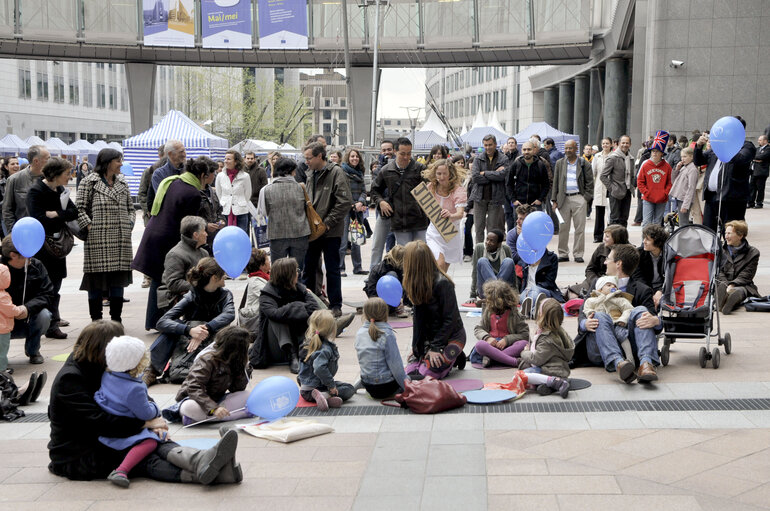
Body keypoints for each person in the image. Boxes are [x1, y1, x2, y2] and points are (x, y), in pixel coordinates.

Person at [48, 320, 242, 484]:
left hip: (108, 435)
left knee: (155, 439)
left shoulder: (102, 364)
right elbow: (97, 422)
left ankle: (205, 463)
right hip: (78, 453)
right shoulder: (71, 379)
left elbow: (135, 392)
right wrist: (144, 423)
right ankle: (208, 471)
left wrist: (153, 418)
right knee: (142, 454)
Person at [133, 156, 214, 330]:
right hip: (167, 239)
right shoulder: (192, 192)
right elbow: (189, 224)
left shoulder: (175, 182)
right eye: (208, 175)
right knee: (166, 280)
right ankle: (162, 321)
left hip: (155, 233)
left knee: (157, 278)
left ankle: (154, 321)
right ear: (201, 175)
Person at [576, 244, 661, 383]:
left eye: (608, 259)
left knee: (641, 310)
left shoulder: (642, 289)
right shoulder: (598, 283)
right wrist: (585, 323)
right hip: (600, 346)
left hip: (630, 348)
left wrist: (656, 321)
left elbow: (653, 324)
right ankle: (618, 363)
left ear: (618, 264)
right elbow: (583, 311)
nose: (604, 262)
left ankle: (646, 364)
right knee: (599, 315)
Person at [143, 258, 234, 386]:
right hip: (190, 339)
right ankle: (151, 371)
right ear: (214, 277)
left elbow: (229, 314)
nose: (225, 276)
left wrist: (205, 328)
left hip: (214, 338)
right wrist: (189, 330)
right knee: (171, 328)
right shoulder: (192, 296)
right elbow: (162, 321)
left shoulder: (225, 295)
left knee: (234, 333)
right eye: (222, 273)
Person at [94, 336, 162, 488]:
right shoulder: (134, 388)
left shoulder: (107, 374)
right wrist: (156, 408)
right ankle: (121, 470)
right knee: (150, 442)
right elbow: (146, 414)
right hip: (126, 430)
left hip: (108, 426)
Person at [76, 149, 134, 323]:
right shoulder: (89, 182)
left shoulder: (122, 183)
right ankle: (96, 320)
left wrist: (129, 223)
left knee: (118, 281)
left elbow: (131, 208)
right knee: (95, 281)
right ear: (107, 162)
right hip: (98, 240)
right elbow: (79, 208)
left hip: (121, 239)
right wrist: (90, 226)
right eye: (118, 160)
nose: (121, 164)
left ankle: (116, 319)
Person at [26, 156, 78, 338]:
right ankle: (46, 322)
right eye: (66, 173)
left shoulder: (60, 189)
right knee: (45, 286)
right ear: (55, 174)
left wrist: (55, 214)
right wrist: (59, 216)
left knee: (56, 285)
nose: (69, 177)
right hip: (42, 247)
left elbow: (74, 211)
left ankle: (52, 323)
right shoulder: (36, 191)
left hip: (58, 246)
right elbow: (38, 218)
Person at [403, 240, 466, 379]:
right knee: (408, 374)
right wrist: (417, 348)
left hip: (452, 336)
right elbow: (418, 321)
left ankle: (455, 355)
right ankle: (453, 356)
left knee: (425, 375)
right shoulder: (416, 284)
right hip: (431, 338)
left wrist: (436, 348)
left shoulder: (443, 283)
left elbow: (450, 319)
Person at [302, 142, 352, 317]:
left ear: (319, 156)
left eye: (309, 158)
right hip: (312, 231)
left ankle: (336, 305)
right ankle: (309, 303)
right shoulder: (309, 174)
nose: (306, 161)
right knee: (308, 268)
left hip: (331, 231)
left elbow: (344, 202)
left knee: (332, 269)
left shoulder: (336, 172)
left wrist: (327, 224)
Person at [248, 257, 318, 373]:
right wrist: (297, 306)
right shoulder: (267, 293)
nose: (298, 273)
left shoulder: (299, 288)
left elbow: (314, 308)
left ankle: (328, 325)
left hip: (299, 340)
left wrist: (292, 309)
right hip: (276, 346)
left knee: (313, 315)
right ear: (288, 274)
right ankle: (292, 355)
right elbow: (274, 313)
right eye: (295, 270)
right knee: (276, 319)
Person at [176, 326, 252, 425]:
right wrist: (213, 408)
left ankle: (200, 419)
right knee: (189, 407)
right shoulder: (207, 359)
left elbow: (236, 389)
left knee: (247, 395)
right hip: (195, 400)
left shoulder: (234, 360)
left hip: (217, 400)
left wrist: (245, 369)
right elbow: (193, 387)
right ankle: (237, 415)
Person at [694, 118, 756, 230]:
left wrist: (726, 146)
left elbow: (741, 159)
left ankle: (729, 248)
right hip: (712, 196)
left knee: (731, 232)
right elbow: (699, 161)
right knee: (708, 230)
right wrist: (698, 147)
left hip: (733, 198)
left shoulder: (747, 146)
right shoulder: (716, 147)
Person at [370, 137, 429, 246]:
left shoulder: (420, 168)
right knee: (405, 255)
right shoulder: (386, 170)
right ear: (395, 152)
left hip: (419, 221)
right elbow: (374, 190)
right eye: (402, 154)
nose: (406, 157)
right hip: (399, 222)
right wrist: (381, 202)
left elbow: (432, 189)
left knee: (420, 254)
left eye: (409, 153)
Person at [258, 157, 311, 273]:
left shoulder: (266, 190)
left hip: (277, 234)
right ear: (291, 171)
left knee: (278, 271)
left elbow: (263, 212)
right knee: (297, 271)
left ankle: (280, 291)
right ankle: (296, 290)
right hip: (300, 232)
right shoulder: (301, 188)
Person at [298, 310, 355, 411]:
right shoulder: (325, 348)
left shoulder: (307, 344)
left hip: (305, 392)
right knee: (349, 389)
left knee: (344, 387)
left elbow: (301, 372)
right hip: (318, 388)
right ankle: (326, 395)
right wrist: (331, 386)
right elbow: (319, 368)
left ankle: (324, 399)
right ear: (331, 329)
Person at [517, 298, 573, 399]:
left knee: (520, 376)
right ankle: (549, 386)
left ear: (541, 316)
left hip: (551, 370)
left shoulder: (547, 339)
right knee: (528, 376)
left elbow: (536, 359)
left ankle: (555, 382)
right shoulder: (553, 331)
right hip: (554, 369)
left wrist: (524, 352)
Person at [354, 297, 408, 398]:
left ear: (365, 314)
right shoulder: (387, 334)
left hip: (368, 385)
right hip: (385, 387)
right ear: (385, 313)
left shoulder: (359, 333)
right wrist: (408, 386)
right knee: (412, 377)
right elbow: (396, 366)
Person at [551, 139, 594, 263]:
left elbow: (590, 182)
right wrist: (554, 200)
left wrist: (585, 198)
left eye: (570, 148)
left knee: (579, 228)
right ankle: (563, 253)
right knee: (563, 227)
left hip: (579, 198)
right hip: (563, 199)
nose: (567, 150)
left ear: (576, 149)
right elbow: (556, 183)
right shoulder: (560, 163)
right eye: (566, 148)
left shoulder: (583, 163)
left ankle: (578, 253)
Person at [156, 216, 209, 312]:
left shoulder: (203, 252)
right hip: (175, 298)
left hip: (196, 292)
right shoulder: (175, 254)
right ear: (196, 235)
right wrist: (200, 285)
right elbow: (173, 283)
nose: (206, 234)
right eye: (204, 231)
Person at [472, 280, 529, 368]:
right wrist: (487, 338)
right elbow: (478, 329)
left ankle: (493, 359)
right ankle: (513, 362)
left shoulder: (514, 314)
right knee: (480, 345)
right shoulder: (488, 311)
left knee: (523, 344)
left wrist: (507, 340)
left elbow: (525, 335)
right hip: (491, 347)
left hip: (507, 347)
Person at [423, 158, 467, 272]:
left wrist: (450, 215)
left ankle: (439, 288)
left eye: (444, 174)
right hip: (434, 232)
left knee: (443, 271)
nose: (441, 177)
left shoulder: (458, 191)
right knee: (440, 264)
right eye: (439, 173)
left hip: (451, 233)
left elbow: (460, 214)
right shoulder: (430, 187)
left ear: (450, 174)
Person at [583, 276, 635, 366]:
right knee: (599, 322)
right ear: (600, 289)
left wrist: (623, 319)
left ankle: (630, 358)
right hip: (601, 328)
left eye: (615, 286)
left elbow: (628, 309)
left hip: (616, 323)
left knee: (622, 334)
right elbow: (586, 309)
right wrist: (590, 313)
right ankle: (616, 360)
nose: (613, 287)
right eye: (609, 285)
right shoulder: (592, 300)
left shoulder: (619, 300)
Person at [3, 144, 50, 233]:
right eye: (47, 159)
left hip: (47, 234)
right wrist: (13, 232)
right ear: (36, 161)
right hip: (23, 233)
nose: (50, 161)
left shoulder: (52, 179)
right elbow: (7, 209)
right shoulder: (14, 180)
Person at [470, 135, 508, 243]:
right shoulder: (478, 158)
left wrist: (485, 173)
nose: (488, 147)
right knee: (478, 229)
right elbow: (476, 178)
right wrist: (495, 174)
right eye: (485, 145)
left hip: (495, 198)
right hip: (479, 197)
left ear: (495, 145)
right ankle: (479, 251)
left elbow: (502, 176)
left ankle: (490, 252)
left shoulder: (503, 158)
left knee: (492, 230)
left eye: (490, 145)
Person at [717, 220, 760, 314]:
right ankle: (723, 301)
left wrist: (732, 285)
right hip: (721, 283)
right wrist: (725, 284)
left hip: (741, 284)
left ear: (740, 236)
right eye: (725, 233)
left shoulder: (753, 253)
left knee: (739, 291)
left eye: (729, 233)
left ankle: (726, 303)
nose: (726, 236)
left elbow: (747, 275)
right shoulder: (719, 250)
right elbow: (718, 271)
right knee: (720, 286)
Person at [340, 148, 369, 276]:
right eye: (352, 156)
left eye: (356, 157)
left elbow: (364, 190)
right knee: (343, 240)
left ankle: (357, 267)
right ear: (348, 157)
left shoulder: (360, 172)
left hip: (358, 210)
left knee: (357, 239)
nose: (354, 159)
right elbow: (342, 190)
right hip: (346, 209)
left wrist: (361, 202)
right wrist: (353, 204)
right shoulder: (342, 171)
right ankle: (340, 268)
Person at [369, 140, 397, 269]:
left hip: (400, 212)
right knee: (377, 244)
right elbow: (375, 190)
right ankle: (373, 272)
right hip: (384, 211)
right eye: (384, 150)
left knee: (400, 244)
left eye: (389, 149)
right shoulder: (378, 169)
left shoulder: (401, 166)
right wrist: (381, 202)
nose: (387, 152)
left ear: (394, 150)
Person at [637, 131, 673, 227]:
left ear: (662, 153)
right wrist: (646, 192)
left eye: (657, 151)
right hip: (648, 198)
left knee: (657, 223)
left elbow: (670, 182)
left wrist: (664, 193)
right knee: (646, 222)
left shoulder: (667, 166)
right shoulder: (645, 164)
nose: (654, 153)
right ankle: (644, 242)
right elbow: (640, 181)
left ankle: (656, 242)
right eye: (653, 151)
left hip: (661, 199)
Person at [469, 229, 514, 303]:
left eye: (491, 241)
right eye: (487, 239)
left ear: (499, 244)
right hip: (486, 290)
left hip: (503, 290)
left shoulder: (506, 249)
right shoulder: (479, 248)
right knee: (482, 261)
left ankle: (493, 298)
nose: (487, 242)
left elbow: (512, 273)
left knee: (509, 261)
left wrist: (515, 294)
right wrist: (472, 295)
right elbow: (475, 272)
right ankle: (495, 297)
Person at [519, 245, 565, 318]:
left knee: (535, 290)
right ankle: (533, 311)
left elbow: (549, 281)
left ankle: (526, 311)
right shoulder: (526, 256)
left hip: (543, 289)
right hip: (526, 290)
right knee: (524, 296)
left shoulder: (551, 257)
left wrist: (533, 289)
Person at [601, 135, 635, 227]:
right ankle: (613, 241)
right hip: (616, 192)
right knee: (614, 219)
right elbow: (603, 176)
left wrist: (632, 186)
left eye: (627, 143)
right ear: (619, 144)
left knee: (624, 219)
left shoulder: (631, 158)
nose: (625, 145)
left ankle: (623, 240)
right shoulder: (613, 158)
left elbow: (632, 175)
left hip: (627, 192)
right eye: (623, 143)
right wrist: (612, 188)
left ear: (630, 144)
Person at [506, 141, 550, 212]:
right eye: (524, 149)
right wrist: (514, 200)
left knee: (535, 223)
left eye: (529, 149)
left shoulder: (540, 165)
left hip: (535, 205)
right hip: (519, 204)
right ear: (521, 150)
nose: (526, 152)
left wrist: (540, 199)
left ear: (533, 150)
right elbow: (509, 184)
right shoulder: (516, 164)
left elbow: (546, 184)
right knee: (519, 223)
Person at [215, 150, 252, 234]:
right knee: (226, 235)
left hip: (241, 211)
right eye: (225, 159)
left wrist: (240, 202)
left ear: (236, 161)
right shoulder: (220, 176)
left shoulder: (245, 176)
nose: (225, 161)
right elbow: (219, 193)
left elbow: (247, 194)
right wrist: (225, 202)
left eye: (228, 159)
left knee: (242, 234)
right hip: (225, 210)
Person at [585, 224, 629, 291]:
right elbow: (590, 269)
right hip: (597, 281)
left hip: (618, 284)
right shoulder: (601, 248)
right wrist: (597, 282)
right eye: (604, 236)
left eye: (607, 236)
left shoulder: (629, 252)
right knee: (573, 294)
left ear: (616, 238)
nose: (604, 238)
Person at [634, 224, 667, 308]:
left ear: (658, 242)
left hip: (664, 288)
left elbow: (671, 277)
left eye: (647, 239)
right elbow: (638, 277)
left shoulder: (669, 255)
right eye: (644, 238)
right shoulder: (639, 253)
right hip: (646, 288)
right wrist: (649, 293)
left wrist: (660, 291)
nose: (644, 241)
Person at [147, 140, 186, 211]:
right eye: (181, 152)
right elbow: (163, 199)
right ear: (171, 154)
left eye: (184, 151)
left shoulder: (190, 170)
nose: (184, 154)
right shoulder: (159, 174)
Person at [238, 248, 270, 332]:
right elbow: (271, 295)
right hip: (256, 320)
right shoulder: (256, 281)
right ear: (261, 265)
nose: (269, 261)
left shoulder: (265, 276)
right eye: (267, 259)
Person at [0, 263, 24, 372]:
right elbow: (10, 310)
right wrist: (19, 310)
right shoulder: (2, 296)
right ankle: (2, 370)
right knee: (2, 351)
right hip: (2, 329)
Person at [668, 147, 699, 226]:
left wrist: (686, 205)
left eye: (685, 156)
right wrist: (677, 169)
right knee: (681, 222)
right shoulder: (684, 167)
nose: (683, 159)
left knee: (683, 223)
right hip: (679, 197)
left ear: (691, 157)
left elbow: (691, 188)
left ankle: (684, 237)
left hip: (684, 199)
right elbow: (674, 181)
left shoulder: (692, 169)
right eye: (682, 157)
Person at [591, 137, 613, 242]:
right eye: (603, 143)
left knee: (610, 214)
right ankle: (598, 236)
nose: (605, 145)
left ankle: (610, 236)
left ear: (611, 144)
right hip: (599, 187)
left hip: (611, 188)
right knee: (599, 214)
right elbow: (593, 172)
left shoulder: (614, 156)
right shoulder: (597, 156)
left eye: (607, 143)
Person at [243, 150, 268, 215]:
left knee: (257, 223)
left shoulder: (261, 171)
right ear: (244, 159)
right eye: (248, 158)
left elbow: (265, 186)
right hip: (243, 202)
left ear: (254, 159)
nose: (250, 160)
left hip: (256, 202)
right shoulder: (240, 171)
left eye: (251, 158)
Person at [748, 135, 769, 209]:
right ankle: (751, 202)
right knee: (751, 188)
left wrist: (756, 158)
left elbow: (762, 157)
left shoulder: (768, 149)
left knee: (760, 188)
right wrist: (756, 159)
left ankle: (759, 203)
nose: (758, 141)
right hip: (754, 171)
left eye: (760, 140)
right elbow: (752, 156)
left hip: (761, 172)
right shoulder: (758, 148)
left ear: (765, 141)